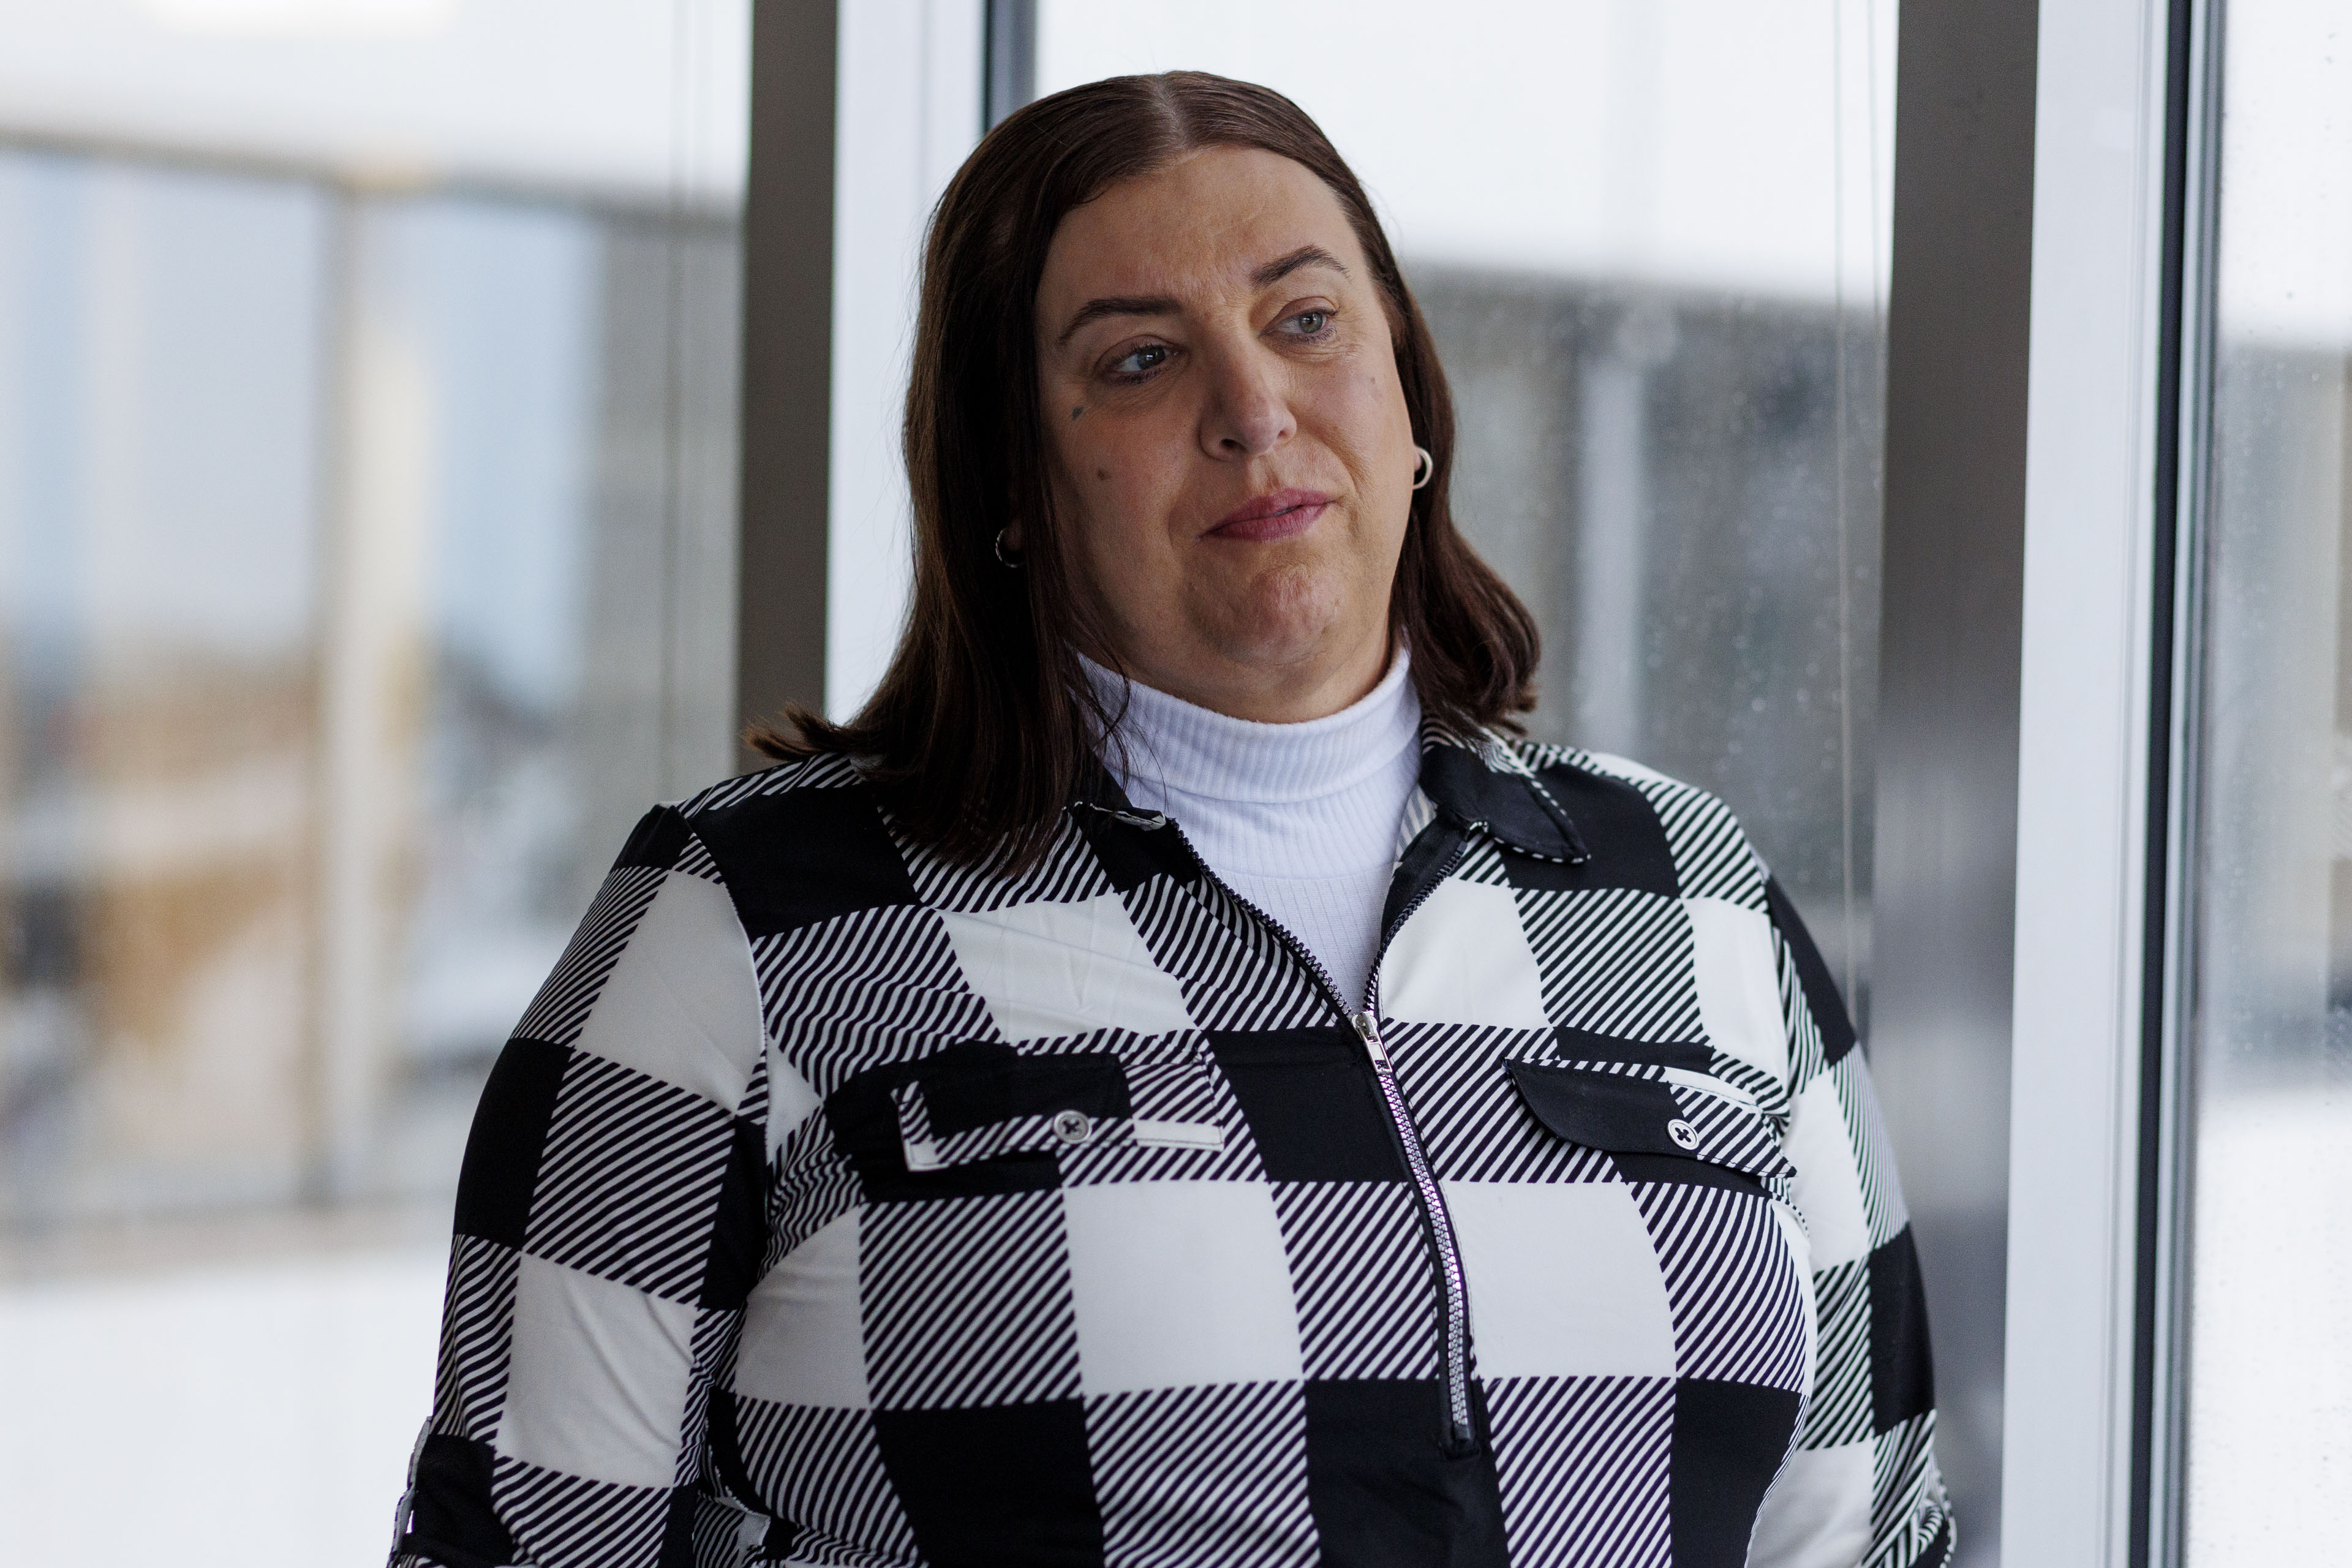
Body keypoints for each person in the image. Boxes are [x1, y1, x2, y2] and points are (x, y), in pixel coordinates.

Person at [391, 71, 1952, 1568]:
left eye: (1307, 319)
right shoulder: (745, 919)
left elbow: (1867, 1530)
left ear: (1410, 395)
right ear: (1011, 476)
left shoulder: (1691, 896)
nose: (1255, 407)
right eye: (1140, 359)